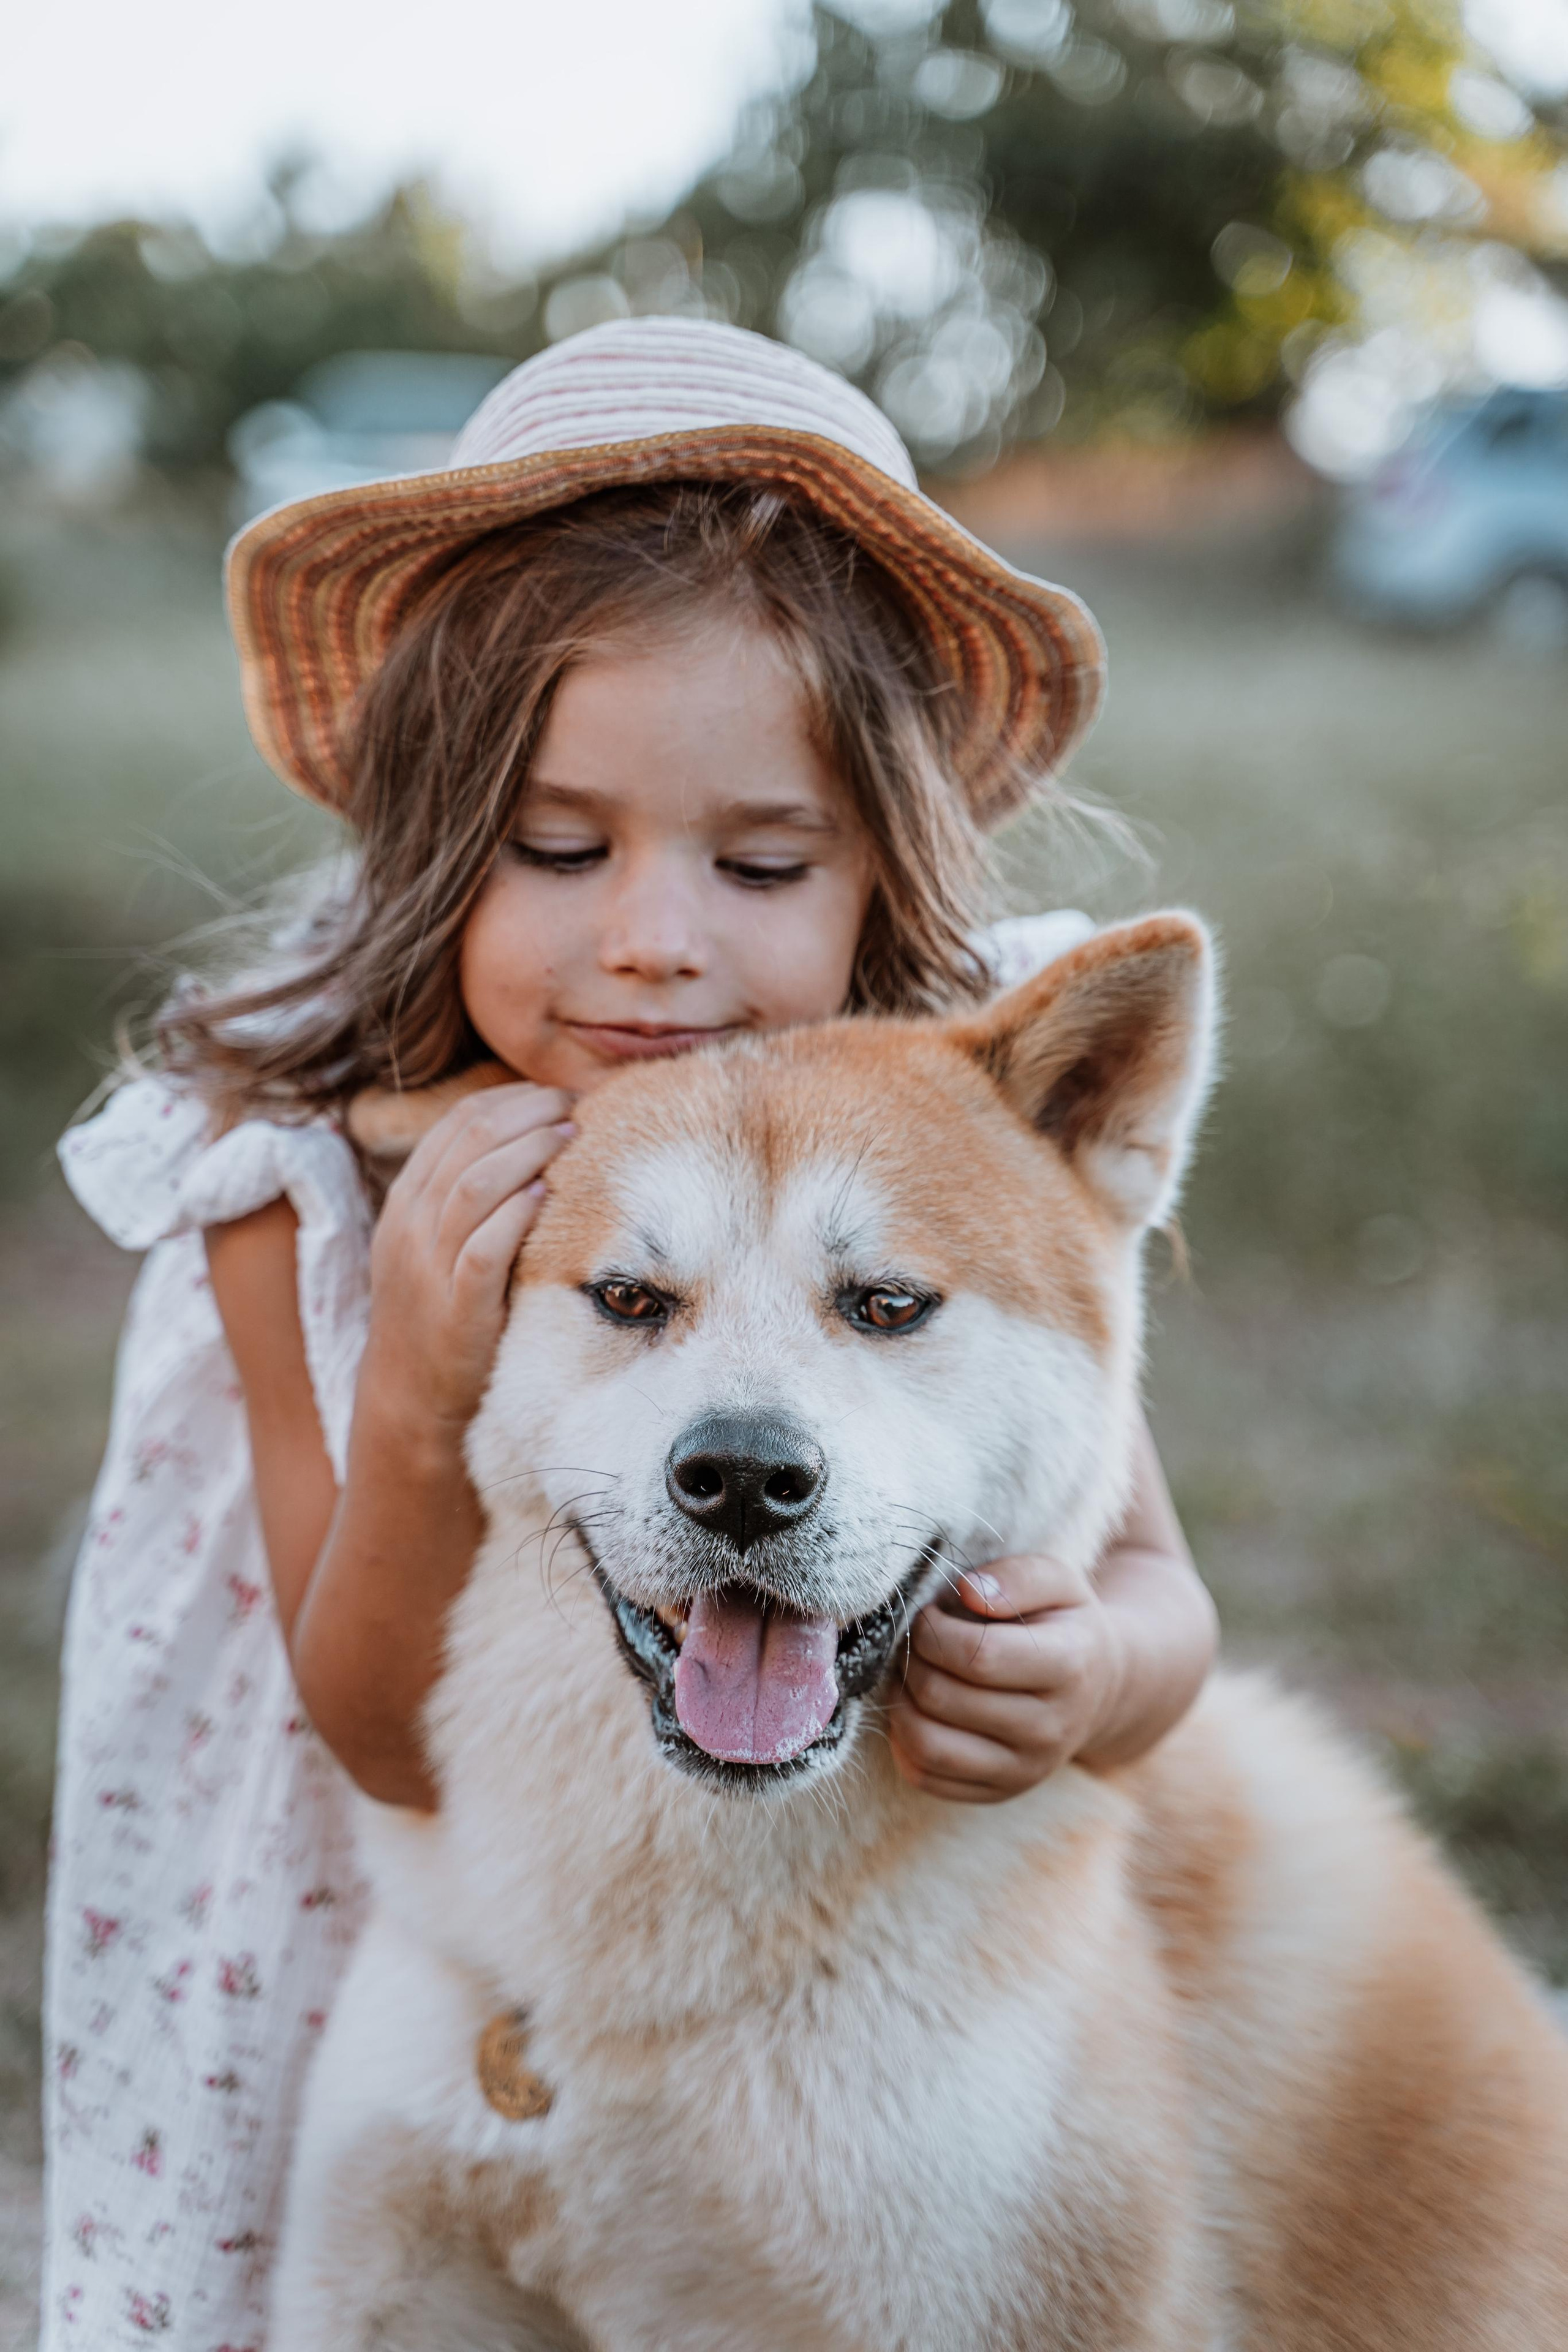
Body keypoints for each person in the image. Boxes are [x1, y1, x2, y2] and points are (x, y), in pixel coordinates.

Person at [43, 318, 1217, 2348]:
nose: (655, 937)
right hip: (378, 1885)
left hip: (817, 1954)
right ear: (432, 836)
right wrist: (417, 1389)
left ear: (877, 870)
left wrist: (1097, 1672)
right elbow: (376, 1730)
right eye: (560, 848)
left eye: (759, 861)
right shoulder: (302, 1184)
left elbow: (1157, 1593)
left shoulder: (964, 1131)